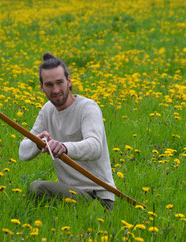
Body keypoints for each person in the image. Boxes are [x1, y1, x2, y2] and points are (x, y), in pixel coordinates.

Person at [19, 53, 116, 210]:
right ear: (42, 87)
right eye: (49, 85)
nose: (56, 90)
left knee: (38, 188)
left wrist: (65, 148)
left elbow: (95, 146)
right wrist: (38, 143)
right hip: (71, 194)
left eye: (59, 83)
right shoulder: (47, 111)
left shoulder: (87, 107)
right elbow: (23, 152)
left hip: (98, 199)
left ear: (69, 81)